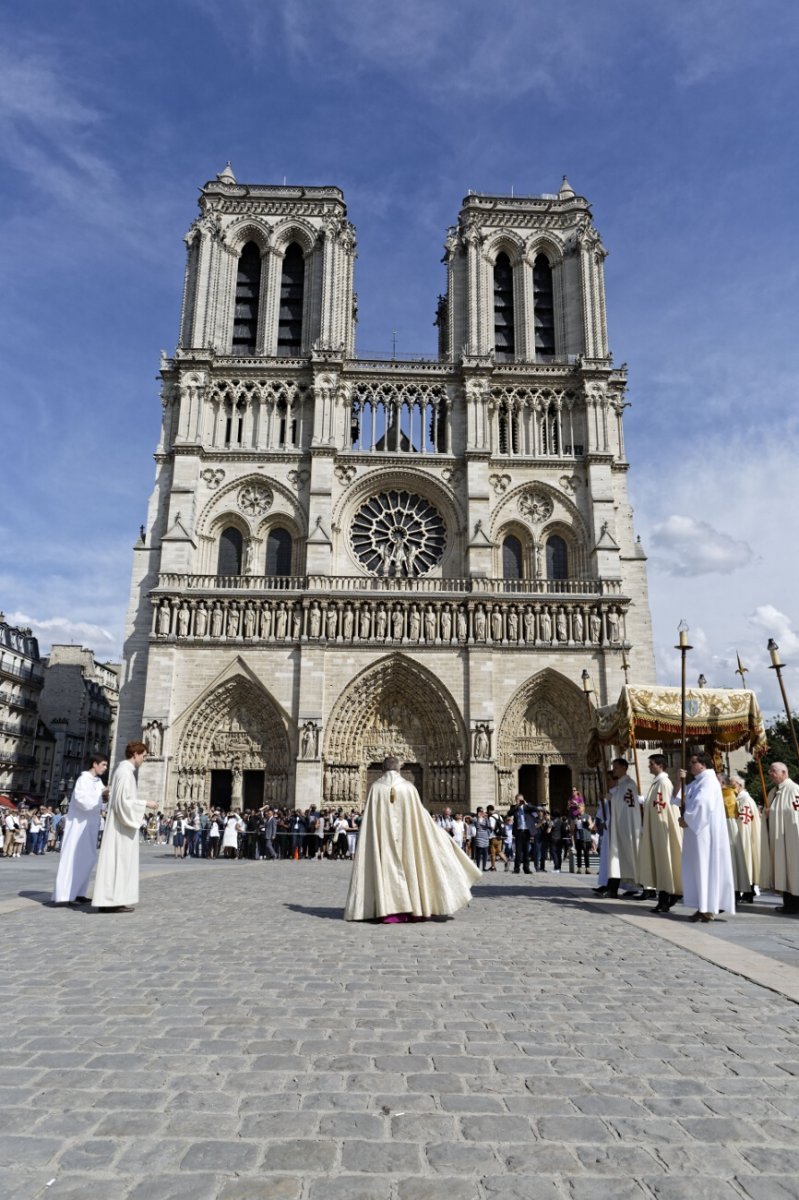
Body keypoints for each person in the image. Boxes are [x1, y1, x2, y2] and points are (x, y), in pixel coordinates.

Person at [344, 756, 481, 922]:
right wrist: (438, 833)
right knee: (412, 864)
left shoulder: (376, 788)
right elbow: (421, 818)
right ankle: (415, 907)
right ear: (399, 769)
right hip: (407, 841)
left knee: (384, 866)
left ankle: (384, 908)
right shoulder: (409, 788)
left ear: (382, 769)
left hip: (383, 842)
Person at [92, 742, 155, 913]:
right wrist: (146, 803)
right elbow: (123, 803)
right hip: (121, 827)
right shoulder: (126, 773)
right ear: (135, 754)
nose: (144, 759)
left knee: (116, 862)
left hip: (119, 825)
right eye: (143, 755)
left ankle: (110, 900)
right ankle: (113, 900)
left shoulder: (123, 771)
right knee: (119, 862)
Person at [678, 751, 735, 922]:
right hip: (697, 832)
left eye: (693, 762)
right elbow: (678, 798)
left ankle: (706, 908)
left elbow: (703, 804)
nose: (690, 765)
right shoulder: (698, 782)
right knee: (699, 868)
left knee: (704, 867)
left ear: (702, 764)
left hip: (703, 833)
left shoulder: (709, 781)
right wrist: (679, 780)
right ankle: (703, 906)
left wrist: (687, 819)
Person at [51, 754, 108, 906]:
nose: (105, 768)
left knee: (87, 859)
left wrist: (107, 794)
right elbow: (83, 801)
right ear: (94, 764)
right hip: (78, 826)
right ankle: (66, 894)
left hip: (90, 826)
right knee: (74, 859)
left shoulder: (98, 781)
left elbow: (103, 799)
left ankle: (79, 892)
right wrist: (101, 794)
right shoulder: (83, 780)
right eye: (103, 764)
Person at [637, 754, 682, 914]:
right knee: (660, 864)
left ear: (660, 765)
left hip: (662, 830)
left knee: (664, 863)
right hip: (656, 830)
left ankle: (666, 899)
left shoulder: (663, 783)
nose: (649, 766)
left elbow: (665, 807)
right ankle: (664, 899)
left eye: (651, 764)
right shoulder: (657, 783)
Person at [592, 757, 643, 899]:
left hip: (625, 827)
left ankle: (643, 887)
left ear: (624, 768)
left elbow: (627, 805)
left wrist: (611, 799)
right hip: (618, 827)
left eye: (615, 767)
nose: (613, 770)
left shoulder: (629, 785)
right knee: (616, 859)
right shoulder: (620, 786)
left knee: (624, 858)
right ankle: (611, 888)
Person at [763, 762, 799, 914]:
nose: (770, 773)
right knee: (784, 870)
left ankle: (795, 904)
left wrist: (775, 811)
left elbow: (795, 813)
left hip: (791, 838)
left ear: (784, 772)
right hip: (778, 838)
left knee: (793, 869)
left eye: (774, 771)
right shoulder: (772, 792)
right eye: (770, 771)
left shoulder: (794, 789)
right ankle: (789, 904)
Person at [730, 775, 761, 904]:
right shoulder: (738, 799)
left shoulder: (745, 801)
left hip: (743, 838)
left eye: (732, 785)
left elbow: (744, 823)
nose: (730, 787)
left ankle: (747, 892)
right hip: (740, 837)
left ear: (739, 785)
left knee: (746, 862)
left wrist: (739, 839)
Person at [511, 794, 536, 874]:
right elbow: (509, 813)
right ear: (516, 800)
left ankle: (526, 868)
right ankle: (516, 868)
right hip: (518, 831)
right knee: (518, 851)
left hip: (526, 831)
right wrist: (516, 806)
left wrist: (526, 804)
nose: (520, 801)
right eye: (518, 800)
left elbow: (535, 809)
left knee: (526, 851)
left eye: (521, 799)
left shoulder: (527, 807)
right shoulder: (514, 807)